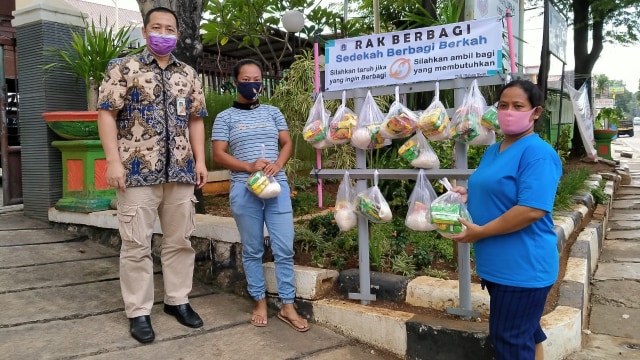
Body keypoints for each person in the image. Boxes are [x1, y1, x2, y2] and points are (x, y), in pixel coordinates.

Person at [97, 7, 208, 344]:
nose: (163, 33)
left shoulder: (187, 73)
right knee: (135, 245)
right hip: (134, 171)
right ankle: (139, 311)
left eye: (169, 28)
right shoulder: (122, 67)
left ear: (177, 34)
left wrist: (201, 161)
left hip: (181, 171)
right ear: (145, 32)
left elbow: (196, 119)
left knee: (180, 241)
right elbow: (106, 114)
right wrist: (113, 162)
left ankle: (178, 300)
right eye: (156, 27)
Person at [451, 79, 562, 360]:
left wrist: (481, 232)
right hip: (501, 268)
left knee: (510, 342)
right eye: (503, 105)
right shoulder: (494, 149)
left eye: (517, 106)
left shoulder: (538, 154)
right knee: (525, 333)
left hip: (523, 268)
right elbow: (494, 189)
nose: (508, 111)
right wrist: (468, 194)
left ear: (535, 112)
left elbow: (531, 209)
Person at [211, 59, 309, 332]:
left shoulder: (273, 112)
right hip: (245, 188)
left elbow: (287, 142)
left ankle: (288, 306)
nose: (253, 83)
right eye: (247, 78)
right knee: (253, 249)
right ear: (236, 81)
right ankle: (260, 301)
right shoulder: (225, 117)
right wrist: (247, 166)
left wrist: (278, 164)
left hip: (276, 186)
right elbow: (218, 154)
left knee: (284, 247)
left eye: (257, 78)